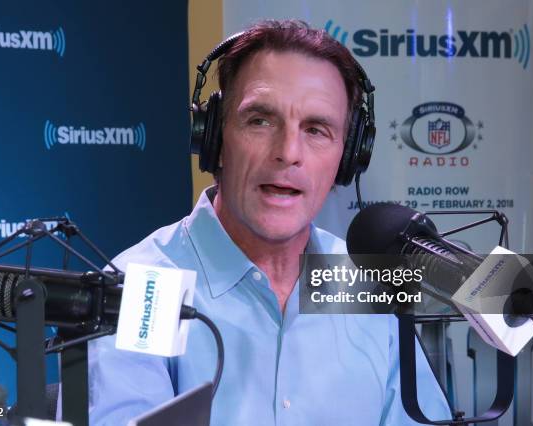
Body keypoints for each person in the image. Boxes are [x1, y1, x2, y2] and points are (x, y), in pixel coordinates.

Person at [89, 20, 451, 425]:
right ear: (213, 138)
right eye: (260, 120)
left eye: (316, 130)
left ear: (347, 159)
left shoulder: (361, 281)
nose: (288, 152)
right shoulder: (148, 284)